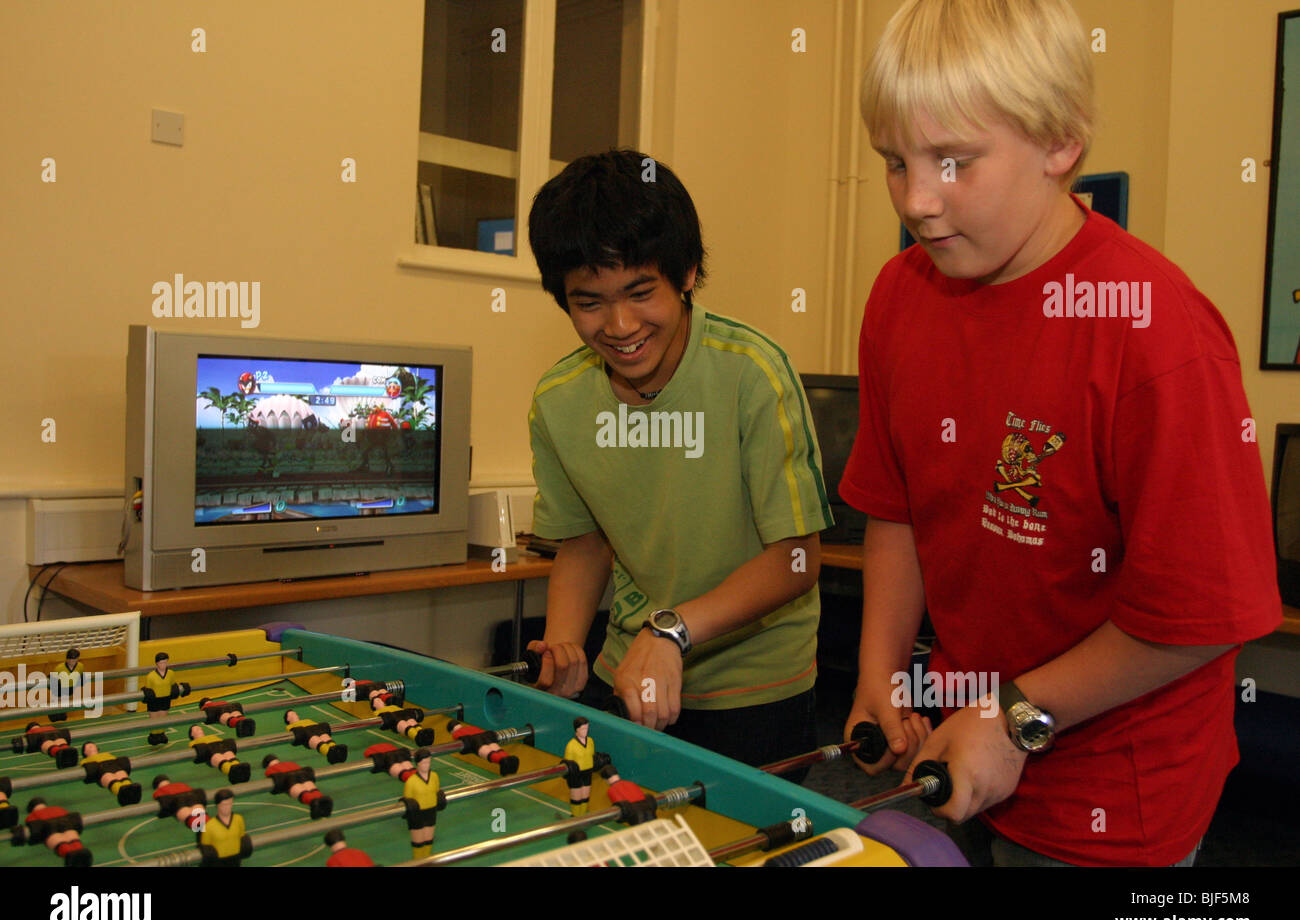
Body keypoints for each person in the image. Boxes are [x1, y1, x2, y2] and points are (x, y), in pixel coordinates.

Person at [840, 0, 1282, 867]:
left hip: (1119, 789)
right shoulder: (900, 296)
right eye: (895, 162)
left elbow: (1198, 618)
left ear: (1060, 144)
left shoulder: (1156, 332)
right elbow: (896, 508)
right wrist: (880, 671)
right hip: (971, 746)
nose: (919, 202)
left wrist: (1014, 720)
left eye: (954, 161)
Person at [525, 149, 832, 770]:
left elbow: (797, 560)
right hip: (629, 674)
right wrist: (562, 645)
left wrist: (673, 629)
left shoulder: (752, 375)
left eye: (641, 292)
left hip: (755, 690)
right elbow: (583, 544)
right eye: (589, 302)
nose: (619, 325)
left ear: (687, 274)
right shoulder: (557, 401)